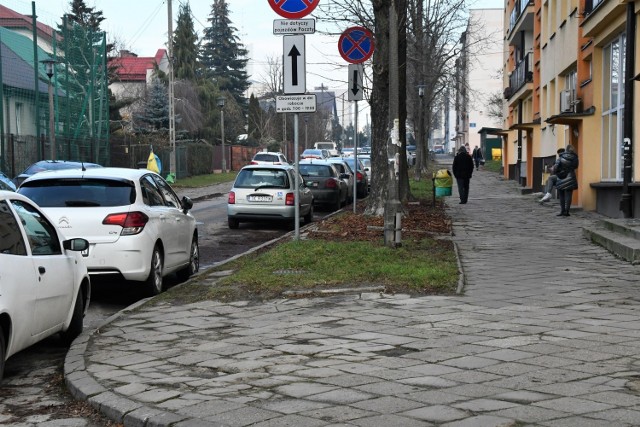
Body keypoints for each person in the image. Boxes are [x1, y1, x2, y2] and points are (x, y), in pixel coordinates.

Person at [554, 144, 579, 216]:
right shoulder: (575, 157)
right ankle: (567, 211)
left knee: (561, 195)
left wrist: (559, 172)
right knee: (569, 195)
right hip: (570, 176)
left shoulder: (561, 157)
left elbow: (556, 168)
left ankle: (562, 211)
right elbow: (576, 166)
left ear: (566, 150)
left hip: (561, 177)